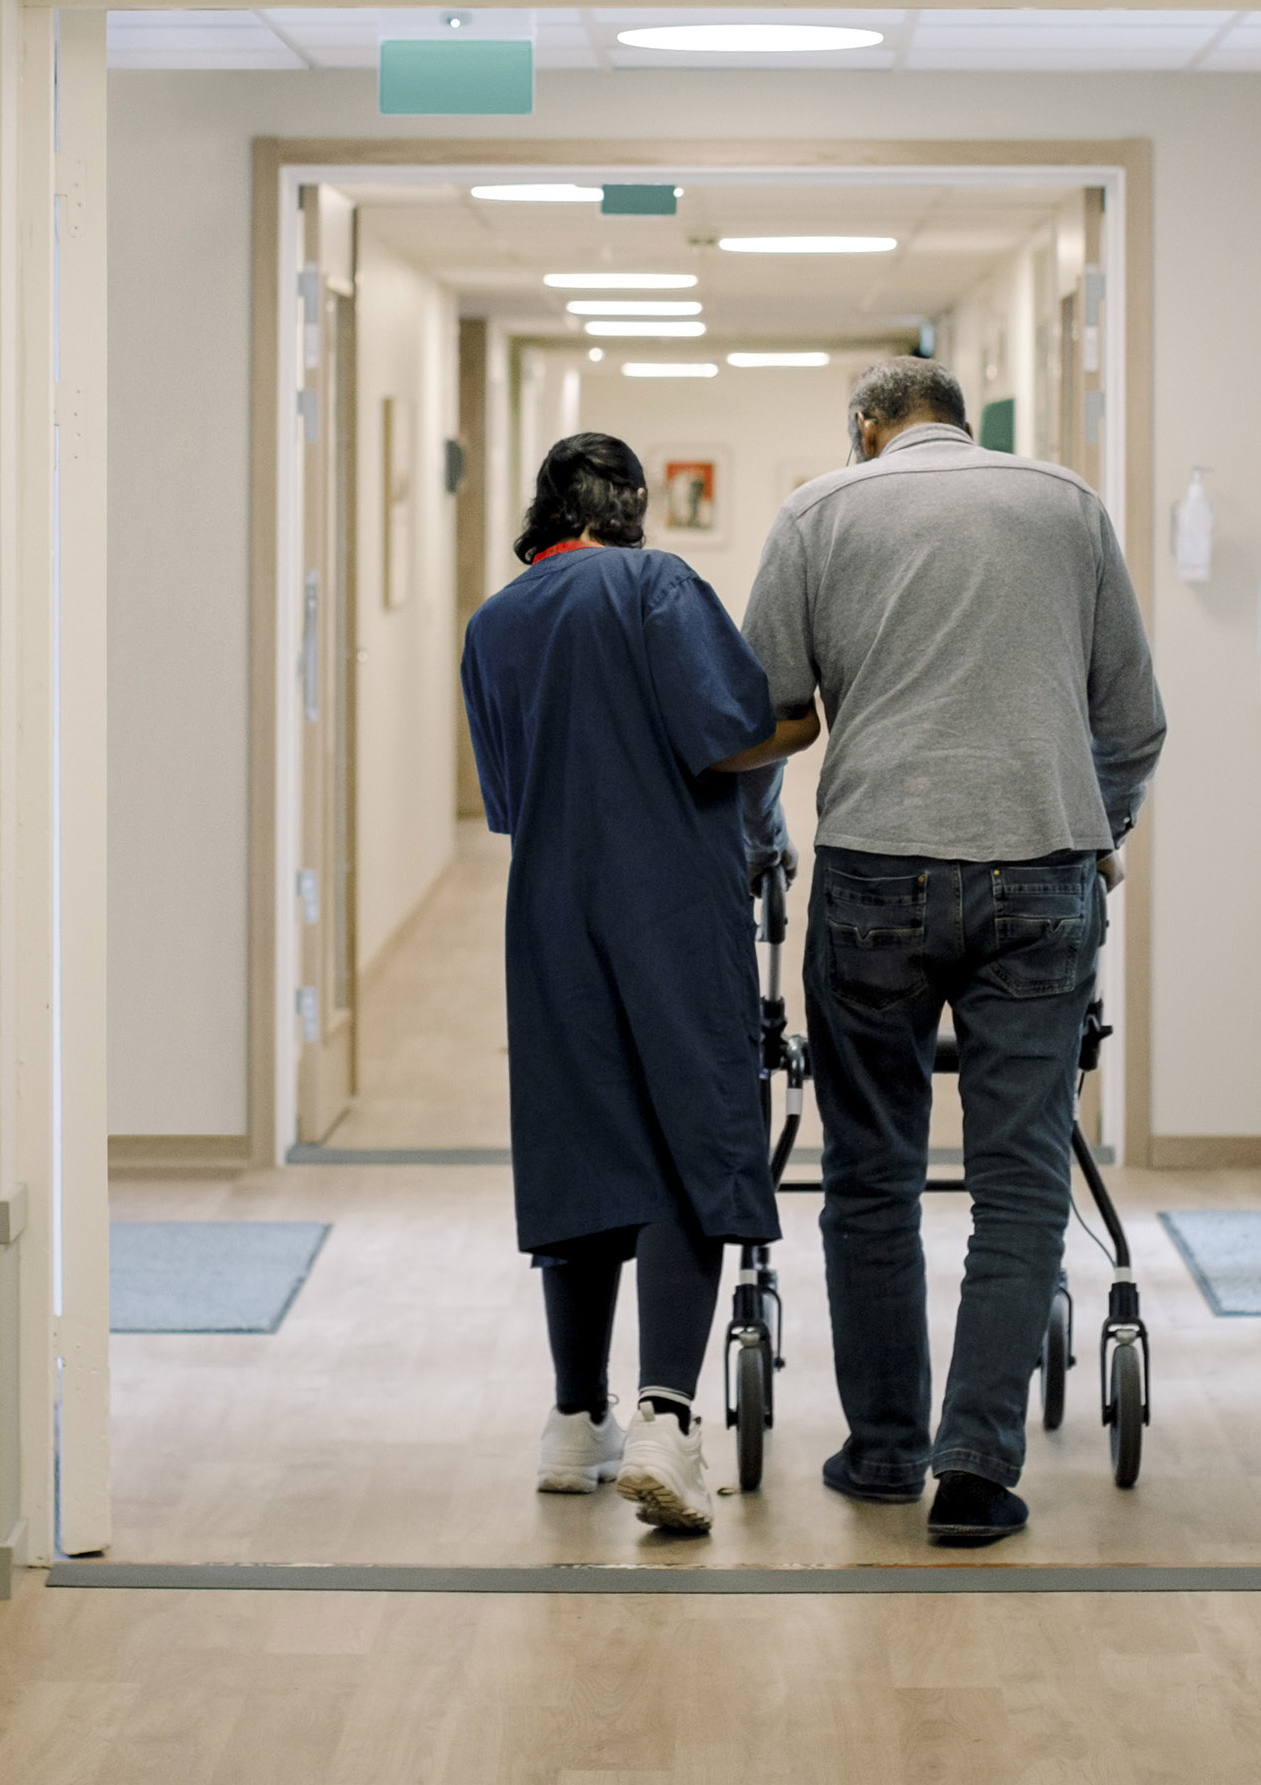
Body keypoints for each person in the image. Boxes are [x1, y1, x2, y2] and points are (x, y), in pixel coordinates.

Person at [733, 357, 1166, 1549]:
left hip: (876, 865)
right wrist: (1097, 836)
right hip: (1042, 865)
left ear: (869, 429)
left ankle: (883, 1453)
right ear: (963, 425)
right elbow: (1131, 723)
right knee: (1021, 1173)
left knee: (872, 1172)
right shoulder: (1067, 506)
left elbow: (768, 709)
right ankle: (977, 1467)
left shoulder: (822, 510)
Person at [459, 432, 791, 1534]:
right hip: (671, 908)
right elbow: (735, 735)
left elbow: (507, 798)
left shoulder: (494, 623)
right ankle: (664, 1419)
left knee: (581, 1141)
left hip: (551, 911)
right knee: (689, 1141)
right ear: (634, 507)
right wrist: (811, 709)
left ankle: (571, 1421)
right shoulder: (655, 583)